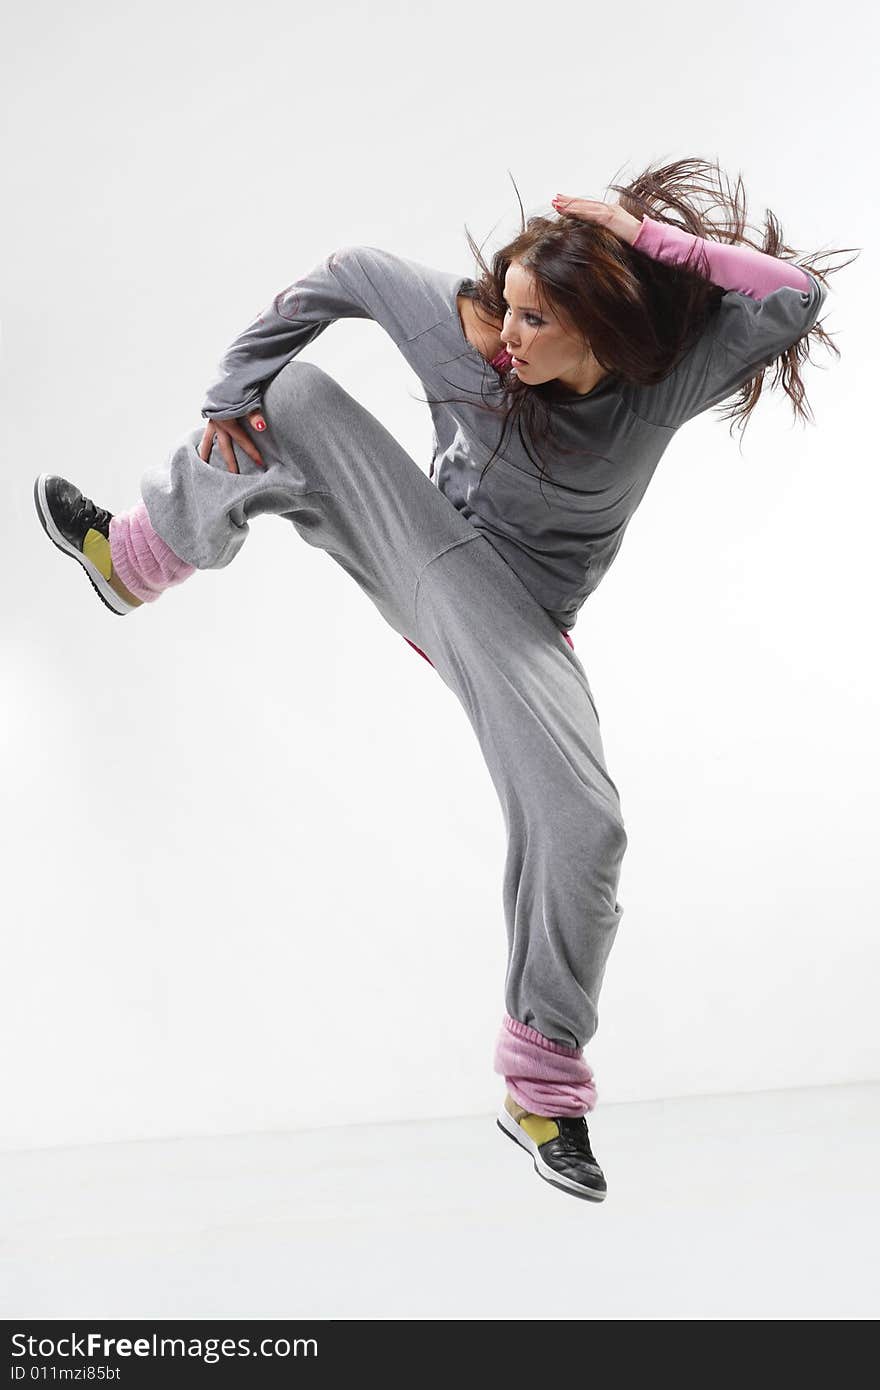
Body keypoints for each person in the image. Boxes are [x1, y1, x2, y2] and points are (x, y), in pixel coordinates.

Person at [33, 158, 838, 1203]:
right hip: (421, 545)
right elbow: (350, 271)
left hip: (521, 627)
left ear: (598, 331)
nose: (506, 335)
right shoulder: (471, 336)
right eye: (507, 305)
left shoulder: (658, 389)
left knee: (584, 825)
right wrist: (229, 392)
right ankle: (134, 556)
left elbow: (794, 298)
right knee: (291, 393)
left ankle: (540, 1085)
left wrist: (650, 239)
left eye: (535, 320)